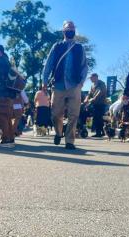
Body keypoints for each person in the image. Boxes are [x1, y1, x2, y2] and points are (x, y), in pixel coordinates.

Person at [43, 20, 87, 150]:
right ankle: (58, 132)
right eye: (68, 28)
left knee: (74, 115)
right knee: (56, 114)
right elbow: (48, 64)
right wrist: (44, 81)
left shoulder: (80, 47)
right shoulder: (56, 46)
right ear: (63, 31)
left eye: (72, 28)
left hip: (74, 86)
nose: (70, 30)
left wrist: (81, 82)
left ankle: (70, 141)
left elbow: (84, 66)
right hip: (58, 85)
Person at [0, 44, 17, 148]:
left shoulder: (0, 62)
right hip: (10, 94)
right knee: (8, 116)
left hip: (3, 93)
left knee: (2, 116)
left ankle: (6, 139)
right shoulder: (7, 60)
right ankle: (10, 138)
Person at [85, 73, 107, 138]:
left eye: (91, 78)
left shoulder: (101, 83)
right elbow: (89, 94)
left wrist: (94, 98)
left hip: (101, 103)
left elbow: (100, 92)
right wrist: (86, 99)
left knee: (99, 118)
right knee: (96, 118)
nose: (90, 79)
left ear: (96, 77)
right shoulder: (92, 85)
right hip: (95, 104)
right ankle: (99, 132)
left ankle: (100, 132)